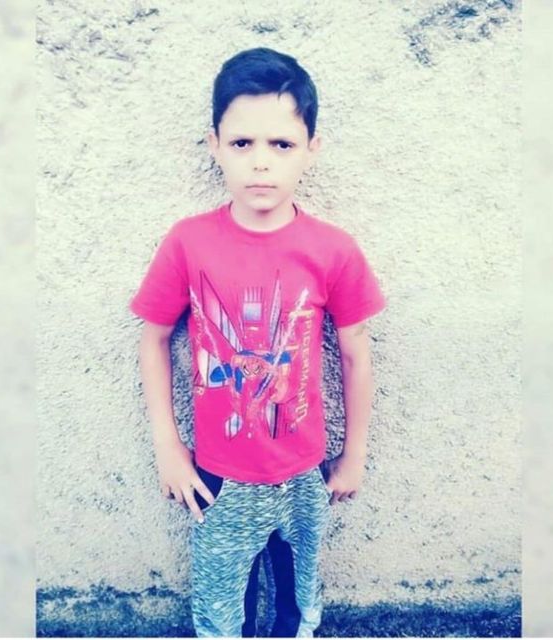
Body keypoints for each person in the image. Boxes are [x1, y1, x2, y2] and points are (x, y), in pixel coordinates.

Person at [130, 46, 387, 637]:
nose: (261, 163)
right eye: (243, 143)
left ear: (311, 148)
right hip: (218, 475)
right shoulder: (188, 243)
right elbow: (153, 339)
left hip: (304, 473)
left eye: (282, 144)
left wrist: (353, 455)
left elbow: (356, 354)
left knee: (298, 604)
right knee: (223, 610)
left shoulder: (333, 250)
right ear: (214, 144)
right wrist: (168, 447)